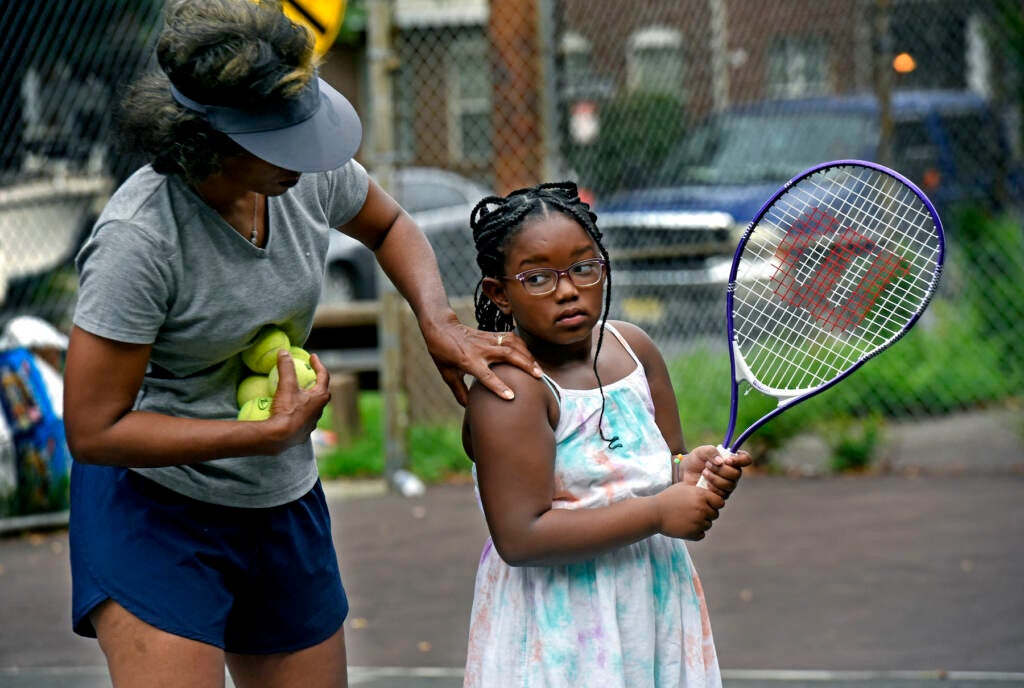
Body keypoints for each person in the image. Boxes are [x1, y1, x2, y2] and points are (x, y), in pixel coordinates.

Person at [62, 2, 538, 687]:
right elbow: (94, 429)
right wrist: (251, 436)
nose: (310, 153)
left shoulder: (305, 178)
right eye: (284, 139)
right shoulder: (141, 241)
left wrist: (436, 321)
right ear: (208, 139)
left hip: (276, 494)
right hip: (154, 507)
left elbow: (391, 225)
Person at [461, 182, 752, 687]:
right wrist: (659, 513)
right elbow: (521, 537)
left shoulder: (635, 348)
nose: (568, 289)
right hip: (562, 624)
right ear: (499, 293)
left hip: (651, 602)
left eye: (583, 267)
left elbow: (664, 468)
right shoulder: (511, 388)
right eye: (537, 278)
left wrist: (691, 473)